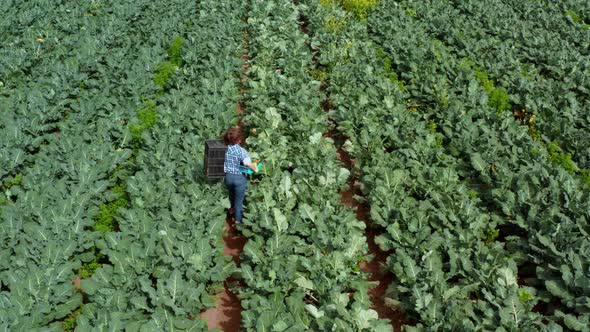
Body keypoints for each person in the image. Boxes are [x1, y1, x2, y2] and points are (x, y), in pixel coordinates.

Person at [223, 127, 257, 224]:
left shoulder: (224, 148)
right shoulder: (241, 151)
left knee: (231, 195)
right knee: (239, 201)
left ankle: (231, 211)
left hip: (228, 177)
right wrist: (255, 168)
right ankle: (238, 221)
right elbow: (247, 164)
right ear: (239, 139)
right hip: (239, 179)